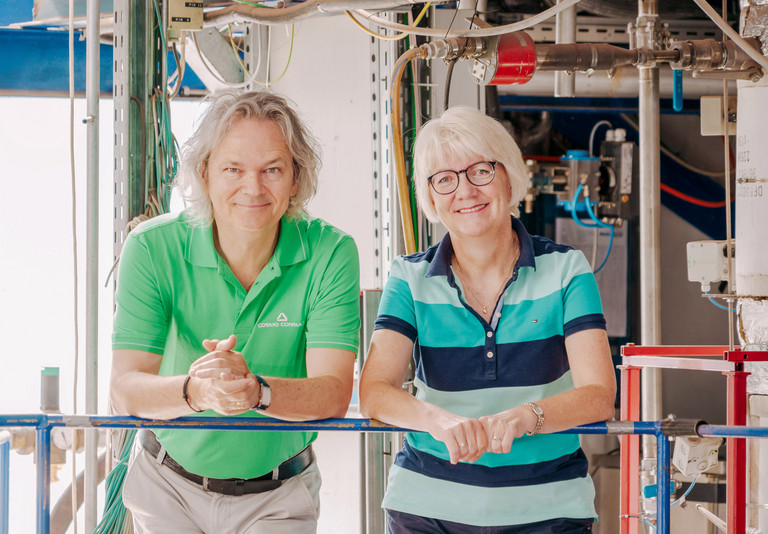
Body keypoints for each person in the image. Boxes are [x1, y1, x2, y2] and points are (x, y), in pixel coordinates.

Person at [110, 90, 360, 534]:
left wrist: (255, 392)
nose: (253, 187)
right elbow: (126, 391)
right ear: (205, 174)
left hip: (279, 495)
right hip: (168, 487)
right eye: (233, 169)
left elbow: (334, 395)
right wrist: (196, 392)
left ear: (296, 179)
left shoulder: (330, 253)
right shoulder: (151, 248)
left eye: (273, 170)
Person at [359, 106, 617, 533]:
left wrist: (525, 417)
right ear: (430, 196)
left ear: (509, 175)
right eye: (445, 179)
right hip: (427, 512)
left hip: (549, 512)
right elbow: (374, 393)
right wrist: (440, 421)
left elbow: (598, 395)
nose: (465, 191)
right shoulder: (409, 278)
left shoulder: (568, 270)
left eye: (480, 170)